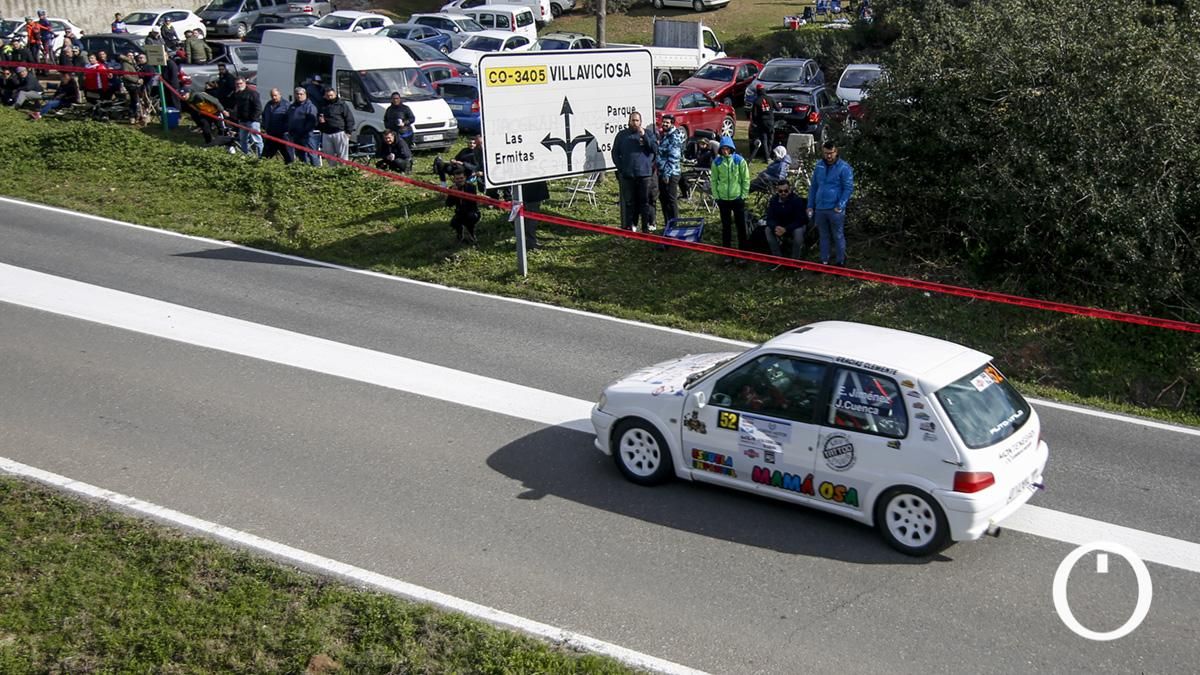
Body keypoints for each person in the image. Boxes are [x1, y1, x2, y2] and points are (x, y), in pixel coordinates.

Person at [807, 141, 854, 266]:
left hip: (835, 208)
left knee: (838, 235)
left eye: (831, 153)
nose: (828, 156)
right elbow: (814, 187)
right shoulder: (819, 166)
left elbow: (848, 188)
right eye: (826, 153)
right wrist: (810, 205)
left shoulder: (844, 167)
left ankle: (840, 262)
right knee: (823, 235)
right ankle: (824, 260)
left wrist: (840, 205)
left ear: (836, 152)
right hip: (820, 207)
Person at [611, 111, 658, 232]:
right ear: (629, 121)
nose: (635, 123)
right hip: (628, 174)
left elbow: (655, 149)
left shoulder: (648, 134)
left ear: (641, 122)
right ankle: (630, 226)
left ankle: (645, 226)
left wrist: (644, 136)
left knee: (644, 202)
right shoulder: (622, 135)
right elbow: (615, 153)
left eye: (637, 120)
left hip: (644, 174)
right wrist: (621, 167)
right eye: (632, 120)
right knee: (630, 202)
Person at [711, 135, 750, 255]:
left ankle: (743, 252)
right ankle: (727, 252)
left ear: (732, 148)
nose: (725, 151)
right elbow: (714, 180)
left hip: (737, 198)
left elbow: (746, 179)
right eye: (723, 149)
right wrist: (716, 196)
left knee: (741, 227)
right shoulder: (717, 162)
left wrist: (743, 195)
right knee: (726, 227)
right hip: (723, 199)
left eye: (727, 148)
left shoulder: (739, 161)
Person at [763, 180, 808, 260]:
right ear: (777, 191)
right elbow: (769, 218)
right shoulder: (773, 201)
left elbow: (801, 220)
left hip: (795, 226)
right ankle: (778, 257)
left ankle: (795, 259)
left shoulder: (797, 200)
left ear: (789, 190)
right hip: (780, 226)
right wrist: (775, 227)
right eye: (780, 191)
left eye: (786, 191)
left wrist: (786, 229)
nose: (783, 193)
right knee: (768, 230)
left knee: (798, 232)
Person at [655, 113, 686, 226]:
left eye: (667, 122)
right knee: (663, 200)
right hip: (661, 172)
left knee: (671, 200)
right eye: (664, 122)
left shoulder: (675, 136)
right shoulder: (664, 135)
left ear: (672, 124)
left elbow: (673, 157)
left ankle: (674, 225)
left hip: (671, 173)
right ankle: (667, 223)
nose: (665, 124)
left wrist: (666, 174)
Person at [286, 86, 320, 166]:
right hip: (295, 135)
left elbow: (312, 121)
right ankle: (304, 169)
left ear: (305, 95)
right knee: (300, 154)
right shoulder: (292, 106)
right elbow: (289, 118)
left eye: (301, 94)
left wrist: (305, 131)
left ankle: (317, 170)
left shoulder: (310, 106)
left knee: (312, 155)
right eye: (297, 94)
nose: (299, 96)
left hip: (307, 135)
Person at [446, 166, 480, 244]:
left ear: (465, 178)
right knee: (454, 223)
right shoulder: (452, 188)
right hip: (460, 212)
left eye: (461, 178)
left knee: (470, 218)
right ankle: (460, 234)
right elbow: (448, 204)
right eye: (457, 179)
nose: (459, 180)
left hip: (471, 211)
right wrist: (452, 194)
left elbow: (471, 202)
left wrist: (460, 193)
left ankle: (471, 234)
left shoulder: (471, 187)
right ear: (454, 179)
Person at [318, 87, 354, 163]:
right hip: (326, 133)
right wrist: (321, 122)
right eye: (328, 96)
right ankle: (333, 172)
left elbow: (349, 119)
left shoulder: (341, 105)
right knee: (329, 156)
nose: (330, 97)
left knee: (343, 157)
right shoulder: (322, 105)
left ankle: (344, 171)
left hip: (339, 132)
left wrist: (348, 132)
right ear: (325, 96)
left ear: (335, 94)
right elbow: (318, 117)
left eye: (331, 95)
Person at [230, 77, 262, 157]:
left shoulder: (252, 93)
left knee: (257, 140)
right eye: (237, 84)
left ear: (245, 83)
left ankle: (261, 157)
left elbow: (258, 107)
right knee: (243, 140)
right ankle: (247, 155)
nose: (239, 85)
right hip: (242, 121)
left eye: (240, 83)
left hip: (252, 121)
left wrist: (253, 118)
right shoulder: (237, 94)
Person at [748, 83, 776, 164]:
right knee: (771, 139)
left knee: (764, 140)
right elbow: (777, 108)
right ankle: (769, 155)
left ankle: (766, 157)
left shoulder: (756, 101)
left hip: (762, 123)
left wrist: (756, 123)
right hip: (770, 122)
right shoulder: (770, 98)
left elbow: (754, 115)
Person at [260, 88, 290, 161]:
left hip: (282, 135)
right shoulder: (268, 104)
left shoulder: (286, 105)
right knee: (265, 156)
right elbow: (264, 116)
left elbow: (289, 119)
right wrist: (264, 126)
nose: (274, 97)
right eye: (272, 96)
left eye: (275, 95)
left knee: (287, 155)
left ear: (280, 95)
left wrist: (285, 129)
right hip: (271, 134)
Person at [519, 180, 550, 249]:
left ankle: (528, 241)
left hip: (529, 190)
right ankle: (531, 243)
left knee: (529, 218)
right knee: (531, 219)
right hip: (531, 191)